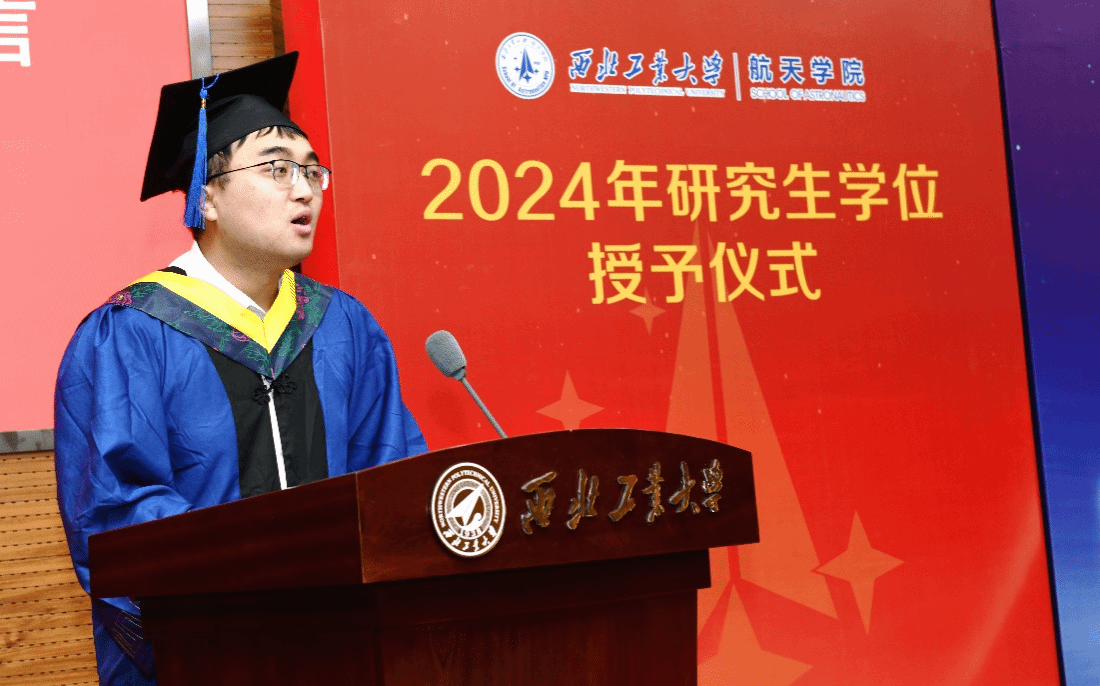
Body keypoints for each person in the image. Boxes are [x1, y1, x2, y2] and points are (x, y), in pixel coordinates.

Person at [53, 52, 427, 685]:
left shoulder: (344, 326)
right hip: (208, 654)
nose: (304, 190)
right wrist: (253, 594)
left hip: (346, 650)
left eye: (312, 171)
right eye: (277, 169)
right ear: (208, 197)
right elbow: (116, 515)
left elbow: (390, 476)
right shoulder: (132, 333)